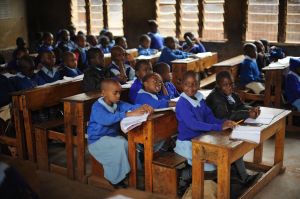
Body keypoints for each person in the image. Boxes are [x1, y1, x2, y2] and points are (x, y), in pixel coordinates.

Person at [87, 79, 153, 188]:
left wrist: (143, 107)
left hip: (113, 138)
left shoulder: (117, 104)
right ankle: (115, 179)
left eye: (120, 92)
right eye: (115, 93)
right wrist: (128, 114)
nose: (118, 96)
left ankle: (136, 172)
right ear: (103, 93)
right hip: (97, 142)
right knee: (121, 144)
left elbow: (131, 107)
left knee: (130, 144)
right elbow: (106, 119)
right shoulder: (97, 107)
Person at [174, 71, 236, 171]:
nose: (190, 87)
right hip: (187, 143)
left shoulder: (199, 98)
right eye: (186, 84)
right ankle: (187, 177)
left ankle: (234, 178)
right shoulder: (182, 103)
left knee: (222, 157)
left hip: (201, 139)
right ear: (182, 85)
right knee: (210, 167)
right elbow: (193, 124)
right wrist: (218, 127)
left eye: (194, 84)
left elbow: (209, 117)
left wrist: (224, 122)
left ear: (199, 85)